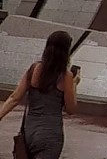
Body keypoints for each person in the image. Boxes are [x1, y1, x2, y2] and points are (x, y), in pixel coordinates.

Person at [0, 30, 79, 159]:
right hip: (50, 137)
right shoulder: (66, 76)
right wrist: (74, 85)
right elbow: (71, 109)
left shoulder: (33, 69)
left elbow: (14, 98)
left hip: (28, 134)